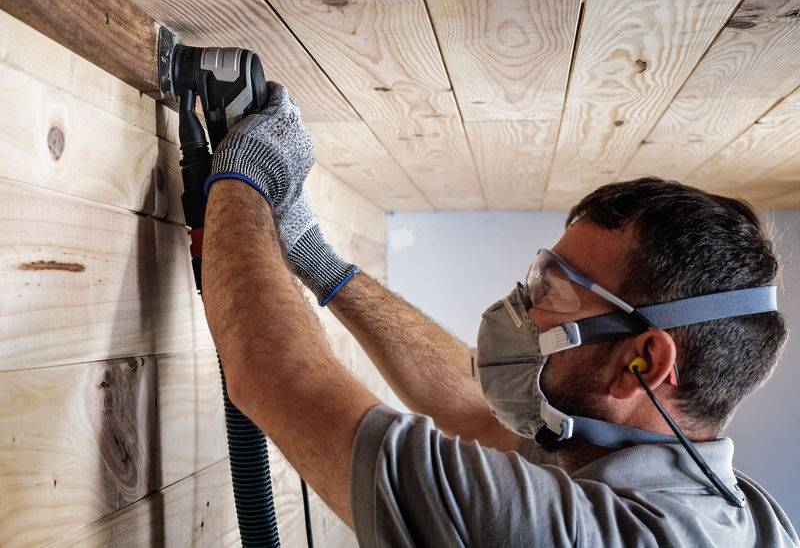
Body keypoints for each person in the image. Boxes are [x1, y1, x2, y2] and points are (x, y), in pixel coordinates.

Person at [201, 82, 799, 546]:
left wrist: (241, 179)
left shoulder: (584, 537)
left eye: (558, 291)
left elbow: (277, 381)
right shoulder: (712, 494)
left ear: (641, 361)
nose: (524, 304)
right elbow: (472, 410)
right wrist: (313, 255)